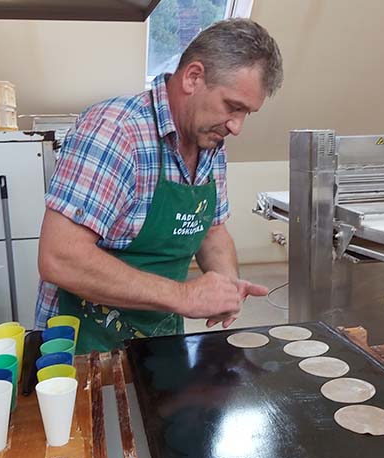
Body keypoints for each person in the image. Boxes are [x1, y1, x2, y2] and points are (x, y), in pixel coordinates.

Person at [35, 18, 284, 353]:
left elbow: (212, 231)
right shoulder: (115, 132)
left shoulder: (210, 141)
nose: (236, 126)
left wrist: (226, 287)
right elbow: (59, 257)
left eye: (246, 114)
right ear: (193, 77)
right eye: (232, 107)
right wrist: (184, 295)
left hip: (158, 342)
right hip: (82, 349)